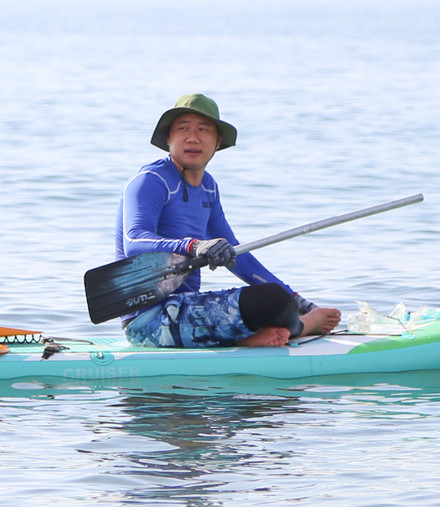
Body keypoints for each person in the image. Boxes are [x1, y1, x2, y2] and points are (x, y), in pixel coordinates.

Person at [115, 93, 341, 349]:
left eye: (203, 130)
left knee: (276, 298)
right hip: (147, 321)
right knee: (273, 302)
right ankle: (302, 327)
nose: (192, 137)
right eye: (183, 129)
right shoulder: (150, 181)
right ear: (169, 138)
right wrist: (194, 246)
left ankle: (251, 336)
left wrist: (297, 300)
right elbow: (134, 240)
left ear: (217, 141)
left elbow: (239, 256)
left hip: (188, 306)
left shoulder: (209, 188)